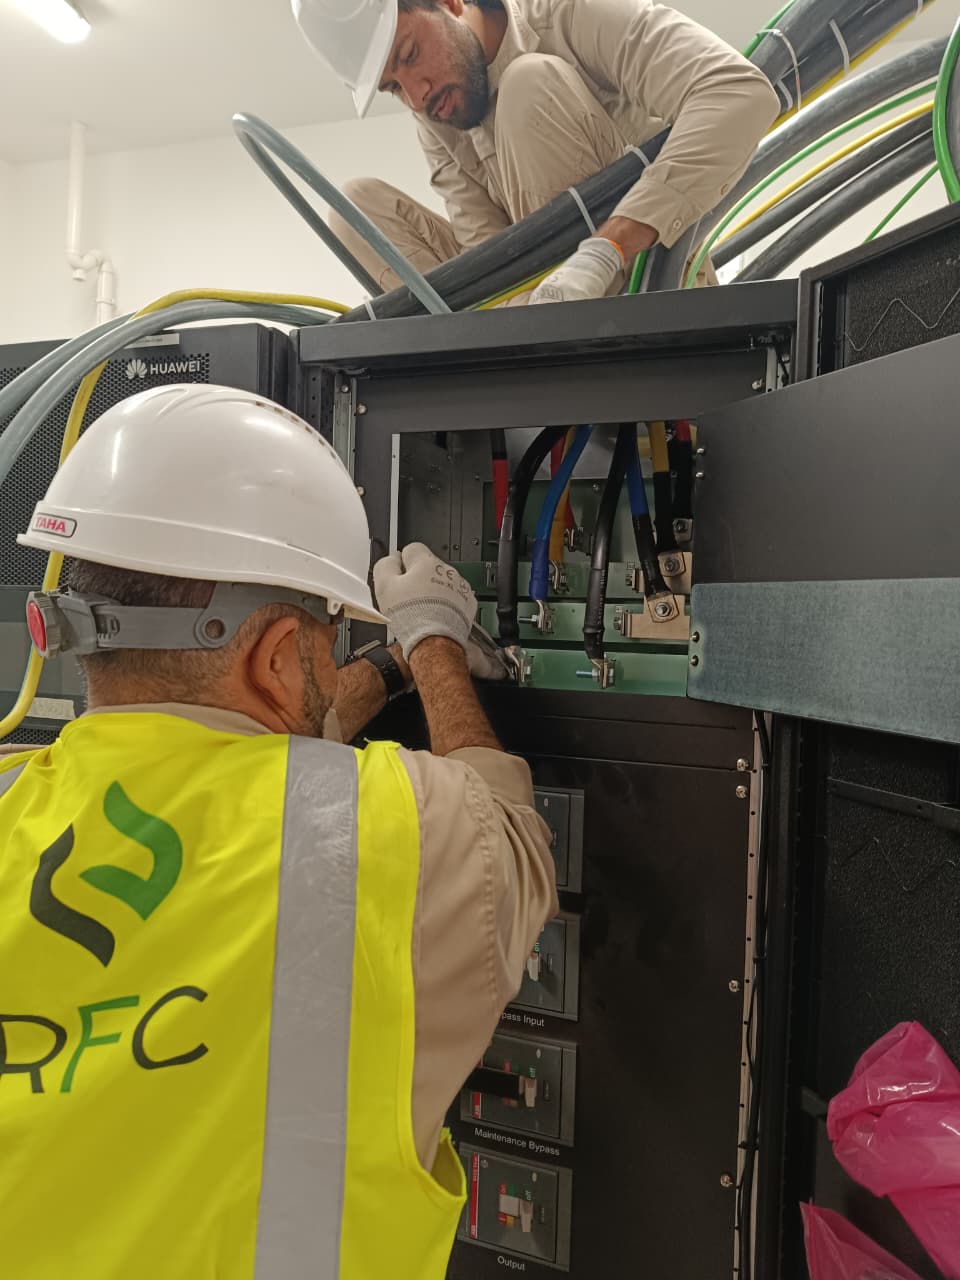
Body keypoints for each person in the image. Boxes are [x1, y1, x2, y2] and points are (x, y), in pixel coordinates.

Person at [0, 384, 556, 1279]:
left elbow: (248, 741)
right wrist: (432, 643)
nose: (332, 666)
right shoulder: (395, 830)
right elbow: (512, 838)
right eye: (326, 645)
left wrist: (378, 668)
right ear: (272, 658)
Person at [293, 0, 779, 301]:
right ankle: (491, 372)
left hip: (649, 288)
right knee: (354, 208)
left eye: (410, 55)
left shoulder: (567, 12)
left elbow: (739, 93)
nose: (416, 97)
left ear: (449, 2)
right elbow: (485, 258)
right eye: (393, 88)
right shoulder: (438, 109)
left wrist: (607, 249)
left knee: (528, 84)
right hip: (534, 319)